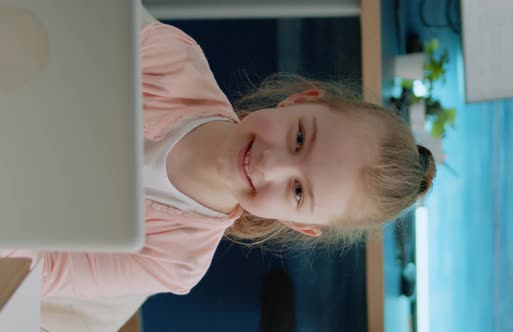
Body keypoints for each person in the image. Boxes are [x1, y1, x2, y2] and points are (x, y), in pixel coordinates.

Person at [0, 6, 436, 299]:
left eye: (298, 191)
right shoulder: (172, 60)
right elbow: (50, 18)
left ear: (299, 224)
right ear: (299, 102)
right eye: (299, 139)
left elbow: (45, 272)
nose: (271, 164)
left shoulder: (177, 261)